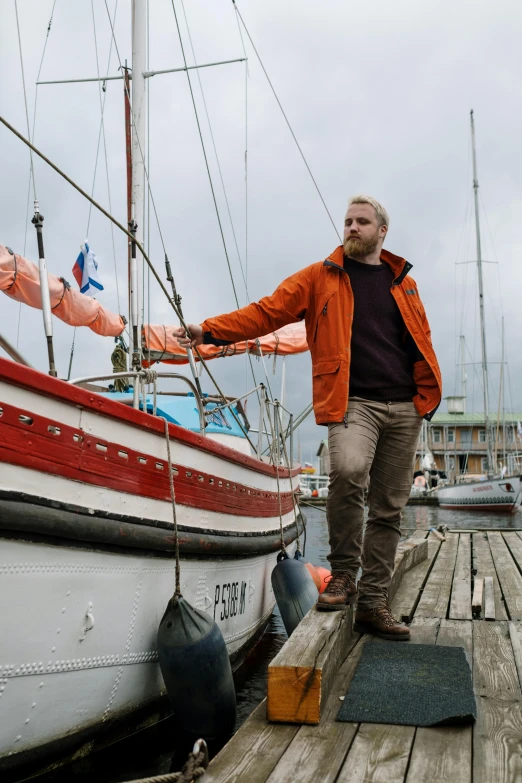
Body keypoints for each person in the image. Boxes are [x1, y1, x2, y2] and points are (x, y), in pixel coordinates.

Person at [173, 195, 442, 641]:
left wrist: (421, 398)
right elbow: (267, 311)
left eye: (362, 222)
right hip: (354, 401)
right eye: (348, 221)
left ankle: (374, 601)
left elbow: (421, 338)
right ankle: (342, 575)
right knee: (350, 471)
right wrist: (210, 330)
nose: (353, 227)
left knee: (389, 508)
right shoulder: (321, 277)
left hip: (404, 406)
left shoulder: (403, 282)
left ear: (382, 231)